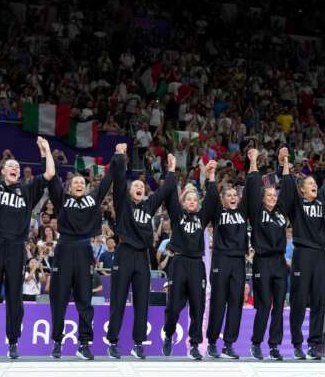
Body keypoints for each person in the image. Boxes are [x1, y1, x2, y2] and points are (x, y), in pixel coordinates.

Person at [0, 112, 54, 359]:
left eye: (17, 167)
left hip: (17, 246)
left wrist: (47, 150)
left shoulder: (27, 190)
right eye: (11, 166)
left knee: (15, 296)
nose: (15, 168)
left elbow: (49, 174)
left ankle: (13, 342)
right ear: (3, 171)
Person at [279, 147, 325, 360]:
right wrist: (285, 162)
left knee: (319, 301)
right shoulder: (297, 204)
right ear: (302, 190)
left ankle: (314, 345)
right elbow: (288, 185)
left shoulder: (321, 202)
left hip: (320, 255)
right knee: (299, 301)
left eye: (314, 184)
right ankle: (297, 344)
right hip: (302, 254)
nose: (314, 186)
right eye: (310, 184)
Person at [46, 147, 115, 360]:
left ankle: (84, 344)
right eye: (75, 182)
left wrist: (118, 157)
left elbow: (106, 181)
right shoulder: (61, 199)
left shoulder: (92, 199)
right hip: (64, 248)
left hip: (84, 249)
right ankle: (57, 342)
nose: (78, 184)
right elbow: (50, 177)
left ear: (86, 188)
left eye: (82, 183)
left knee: (85, 299)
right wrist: (47, 152)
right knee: (59, 298)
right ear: (69, 186)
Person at [106, 144, 172, 359]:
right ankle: (113, 342)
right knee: (118, 299)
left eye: (142, 185)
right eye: (135, 184)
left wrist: (170, 170)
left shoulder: (148, 206)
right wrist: (119, 155)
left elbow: (163, 191)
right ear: (129, 189)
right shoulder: (123, 203)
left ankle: (138, 344)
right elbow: (117, 178)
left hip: (143, 256)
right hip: (124, 253)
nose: (139, 187)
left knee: (142, 301)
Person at [162, 158, 219, 360]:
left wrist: (211, 177)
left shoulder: (202, 218)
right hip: (178, 263)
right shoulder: (177, 215)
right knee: (175, 307)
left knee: (198, 306)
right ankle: (168, 335)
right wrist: (171, 170)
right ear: (183, 202)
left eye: (195, 200)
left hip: (197, 265)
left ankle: (195, 345)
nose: (192, 202)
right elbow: (169, 196)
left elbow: (212, 201)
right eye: (189, 199)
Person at [246, 149, 290, 361]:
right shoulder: (257, 211)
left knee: (279, 307)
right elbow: (253, 186)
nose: (272, 198)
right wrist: (253, 161)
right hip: (262, 261)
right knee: (264, 305)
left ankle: (274, 346)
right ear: (263, 198)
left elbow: (289, 187)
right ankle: (256, 343)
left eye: (275, 195)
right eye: (269, 195)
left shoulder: (281, 211)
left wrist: (285, 162)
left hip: (280, 262)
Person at [206, 159, 250, 359]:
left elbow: (252, 192)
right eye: (229, 195)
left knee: (235, 302)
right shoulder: (218, 212)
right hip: (221, 259)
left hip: (239, 261)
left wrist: (253, 163)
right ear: (223, 200)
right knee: (218, 301)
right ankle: (212, 342)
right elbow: (212, 196)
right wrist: (211, 176)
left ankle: (229, 344)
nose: (233, 197)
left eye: (235, 195)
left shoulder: (242, 212)